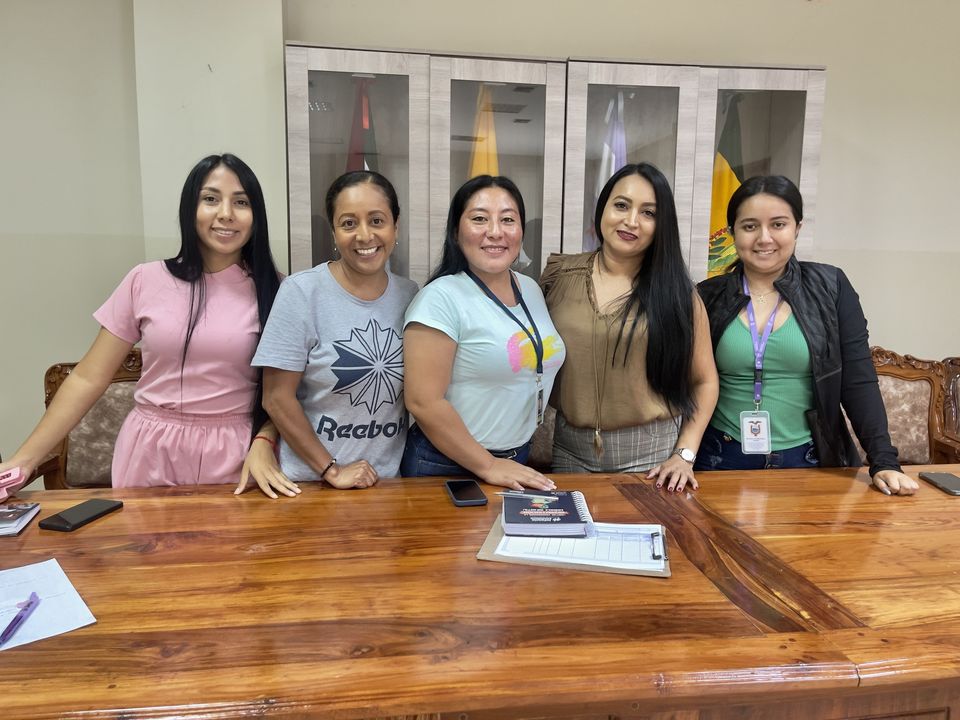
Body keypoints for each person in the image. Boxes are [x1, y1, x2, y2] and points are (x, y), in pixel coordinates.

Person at [0, 153, 287, 491]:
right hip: (150, 449)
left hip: (238, 454)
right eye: (210, 199)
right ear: (190, 208)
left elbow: (288, 393)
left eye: (241, 202)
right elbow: (89, 377)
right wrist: (22, 461)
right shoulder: (145, 280)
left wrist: (265, 439)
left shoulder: (279, 291)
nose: (226, 213)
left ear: (256, 215)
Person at [695, 175, 918, 496]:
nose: (764, 238)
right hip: (720, 456)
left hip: (808, 459)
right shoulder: (707, 295)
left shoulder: (831, 287)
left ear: (797, 228)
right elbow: (690, 384)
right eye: (750, 226)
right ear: (732, 232)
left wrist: (884, 461)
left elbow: (858, 380)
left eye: (778, 224)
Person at [540, 163, 718, 493]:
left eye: (648, 213)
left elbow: (705, 381)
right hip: (569, 450)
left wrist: (685, 454)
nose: (631, 221)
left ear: (662, 225)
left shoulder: (678, 294)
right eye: (621, 205)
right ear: (603, 208)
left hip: (651, 457)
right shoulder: (559, 277)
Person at [244, 170, 418, 493]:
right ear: (334, 233)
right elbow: (276, 398)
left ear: (396, 226)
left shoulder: (411, 295)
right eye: (349, 223)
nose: (364, 235)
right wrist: (332, 470)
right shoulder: (300, 292)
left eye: (377, 220)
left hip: (387, 484)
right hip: (311, 484)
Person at [401, 175, 565, 490]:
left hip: (515, 458)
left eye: (508, 219)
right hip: (446, 463)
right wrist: (488, 465)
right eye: (479, 219)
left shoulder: (530, 288)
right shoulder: (439, 298)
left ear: (521, 230)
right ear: (456, 232)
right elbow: (423, 401)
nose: (495, 232)